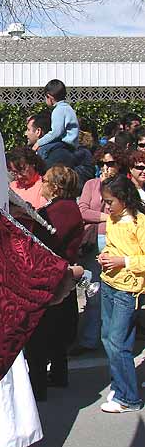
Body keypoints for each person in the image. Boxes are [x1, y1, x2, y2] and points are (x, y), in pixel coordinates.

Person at [25, 165, 84, 401]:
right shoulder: (64, 208)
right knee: (56, 334)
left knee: (41, 335)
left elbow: (47, 238)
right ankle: (58, 375)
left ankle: (39, 386)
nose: (42, 184)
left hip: (54, 277)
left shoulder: (63, 210)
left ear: (56, 186)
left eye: (46, 181)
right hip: (60, 276)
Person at [71, 144, 126, 356]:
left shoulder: (123, 185)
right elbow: (83, 210)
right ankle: (90, 339)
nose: (106, 167)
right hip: (94, 240)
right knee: (93, 292)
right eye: (102, 163)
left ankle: (112, 337)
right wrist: (106, 216)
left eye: (110, 163)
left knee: (114, 293)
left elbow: (123, 210)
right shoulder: (92, 184)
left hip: (116, 241)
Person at [98, 174, 145, 413]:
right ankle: (120, 386)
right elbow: (111, 246)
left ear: (124, 199)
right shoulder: (112, 221)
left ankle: (130, 397)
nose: (106, 207)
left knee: (118, 342)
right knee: (108, 338)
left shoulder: (140, 223)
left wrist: (122, 261)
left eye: (110, 202)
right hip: (109, 284)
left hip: (128, 290)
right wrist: (105, 256)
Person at [32, 80, 79, 167]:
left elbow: (56, 132)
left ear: (49, 96)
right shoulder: (67, 108)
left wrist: (39, 142)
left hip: (65, 144)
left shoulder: (58, 110)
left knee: (42, 151)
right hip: (72, 144)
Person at [6, 147, 47, 227]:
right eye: (15, 172)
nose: (19, 176)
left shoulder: (44, 187)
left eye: (22, 170)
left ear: (33, 164)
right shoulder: (12, 186)